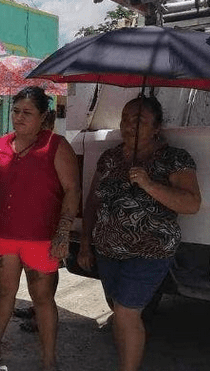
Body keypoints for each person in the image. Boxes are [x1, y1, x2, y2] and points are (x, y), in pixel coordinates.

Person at [78, 96, 201, 371]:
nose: (129, 126)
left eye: (139, 121)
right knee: (119, 311)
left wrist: (148, 183)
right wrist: (85, 242)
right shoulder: (110, 157)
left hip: (150, 251)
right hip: (108, 251)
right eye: (125, 119)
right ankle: (126, 359)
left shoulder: (175, 158)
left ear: (157, 127)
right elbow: (93, 202)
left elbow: (192, 203)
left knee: (126, 312)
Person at [0, 86, 80, 371]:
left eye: (27, 113)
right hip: (5, 236)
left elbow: (72, 190)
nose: (19, 118)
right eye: (16, 111)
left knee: (43, 299)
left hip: (42, 238)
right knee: (4, 293)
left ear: (43, 117)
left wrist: (63, 232)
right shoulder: (0, 144)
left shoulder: (56, 146)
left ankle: (48, 361)